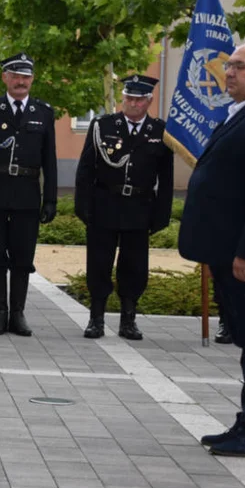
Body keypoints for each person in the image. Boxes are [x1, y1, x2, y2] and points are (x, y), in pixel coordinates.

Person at [182, 43, 245, 456]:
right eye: (230, 65)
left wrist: (244, 250)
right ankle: (244, 423)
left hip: (239, 254)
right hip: (223, 249)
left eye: (239, 66)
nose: (229, 72)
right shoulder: (235, 114)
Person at [75, 74, 173, 340]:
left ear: (149, 101)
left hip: (139, 207)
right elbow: (85, 170)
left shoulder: (159, 131)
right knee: (99, 263)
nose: (133, 103)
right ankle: (96, 318)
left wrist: (161, 215)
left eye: (139, 99)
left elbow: (166, 179)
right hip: (105, 203)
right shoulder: (103, 125)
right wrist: (83, 206)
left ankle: (128, 319)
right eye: (129, 98)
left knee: (135, 266)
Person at [0, 53, 57, 336]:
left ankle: (18, 313)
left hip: (27, 195)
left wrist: (50, 198)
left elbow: (49, 159)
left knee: (22, 258)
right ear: (5, 78)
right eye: (15, 76)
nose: (21, 81)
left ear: (32, 79)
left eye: (26, 76)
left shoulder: (43, 112)